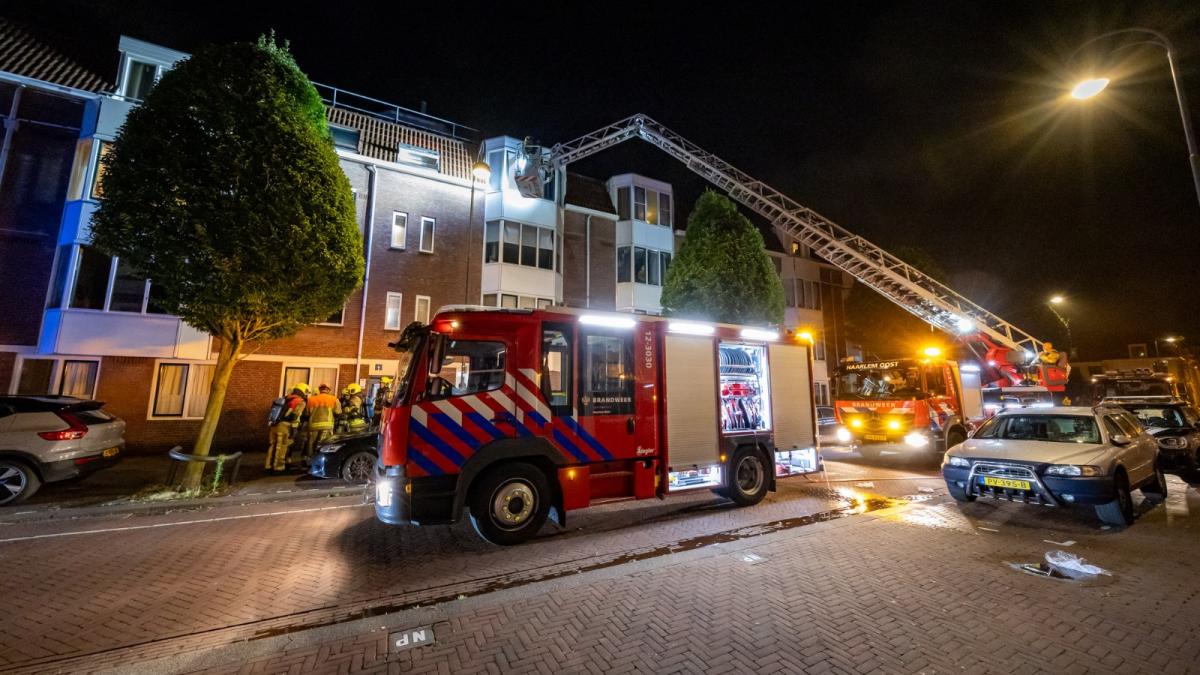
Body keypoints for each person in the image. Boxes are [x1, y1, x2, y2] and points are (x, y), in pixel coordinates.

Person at [267, 383, 307, 473]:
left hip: (274, 424)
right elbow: (295, 415)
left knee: (273, 445)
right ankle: (278, 467)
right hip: (284, 426)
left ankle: (268, 465)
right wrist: (293, 430)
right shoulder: (300, 401)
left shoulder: (286, 398)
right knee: (281, 447)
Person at [304, 384, 342, 462]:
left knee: (311, 444)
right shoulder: (334, 399)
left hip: (313, 426)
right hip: (327, 426)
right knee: (324, 444)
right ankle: (322, 460)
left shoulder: (310, 399)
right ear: (328, 390)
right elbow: (338, 412)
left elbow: (306, 414)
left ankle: (310, 461)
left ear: (319, 390)